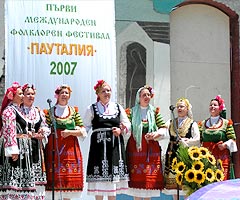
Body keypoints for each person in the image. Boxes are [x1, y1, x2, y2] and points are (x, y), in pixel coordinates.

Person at [83, 80, 131, 200]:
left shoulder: (117, 107)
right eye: (103, 91)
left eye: (108, 90)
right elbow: (85, 127)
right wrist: (75, 133)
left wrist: (121, 131)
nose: (106, 93)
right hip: (98, 149)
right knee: (99, 184)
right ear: (98, 93)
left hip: (114, 147)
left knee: (112, 187)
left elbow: (127, 125)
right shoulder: (92, 108)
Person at [44, 84, 87, 200]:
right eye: (62, 93)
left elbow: (82, 131)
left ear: (69, 96)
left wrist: (70, 132)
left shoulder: (73, 111)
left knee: (68, 182)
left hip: (70, 149)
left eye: (66, 93)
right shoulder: (50, 111)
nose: (64, 95)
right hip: (54, 148)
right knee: (55, 182)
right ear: (57, 95)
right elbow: (45, 128)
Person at [125, 85, 168, 200]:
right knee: (137, 184)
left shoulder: (154, 111)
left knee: (148, 184)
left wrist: (155, 134)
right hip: (136, 148)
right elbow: (127, 127)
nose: (147, 97)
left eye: (148, 95)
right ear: (139, 97)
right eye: (144, 95)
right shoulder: (131, 112)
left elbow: (163, 128)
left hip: (151, 149)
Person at [0, 82, 36, 199]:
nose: (22, 96)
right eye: (20, 94)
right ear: (12, 96)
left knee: (22, 182)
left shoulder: (19, 110)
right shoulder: (9, 110)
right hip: (15, 148)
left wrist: (27, 133)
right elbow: (9, 131)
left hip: (23, 148)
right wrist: (12, 150)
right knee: (13, 179)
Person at [163, 97, 200, 200]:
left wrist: (187, 141)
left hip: (185, 155)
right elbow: (163, 132)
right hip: (172, 154)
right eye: (178, 107)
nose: (179, 108)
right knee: (174, 187)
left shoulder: (192, 123)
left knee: (186, 185)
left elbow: (197, 139)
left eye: (182, 106)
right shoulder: (171, 122)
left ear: (187, 109)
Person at [21, 83, 51, 199]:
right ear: (22, 96)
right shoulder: (18, 110)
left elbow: (46, 126)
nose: (30, 96)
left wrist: (43, 132)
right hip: (22, 150)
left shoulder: (38, 111)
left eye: (32, 94)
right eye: (27, 94)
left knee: (37, 182)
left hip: (36, 150)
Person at [198, 95, 237, 180]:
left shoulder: (226, 123)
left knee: (221, 181)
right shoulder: (203, 124)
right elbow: (198, 140)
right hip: (206, 157)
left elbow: (233, 139)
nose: (212, 106)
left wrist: (225, 145)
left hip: (221, 157)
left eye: (215, 105)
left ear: (220, 108)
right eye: (211, 105)